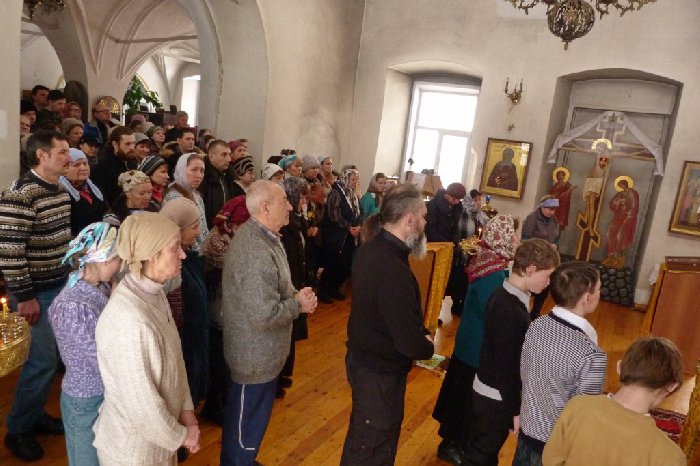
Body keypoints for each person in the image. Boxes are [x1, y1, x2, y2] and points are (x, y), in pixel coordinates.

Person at [220, 180, 317, 465]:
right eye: (283, 200)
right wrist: (297, 305)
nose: (289, 205)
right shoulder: (254, 251)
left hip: (263, 355)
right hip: (253, 357)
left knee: (250, 427)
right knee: (245, 429)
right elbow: (263, 314)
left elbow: (274, 288)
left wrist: (295, 295)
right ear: (265, 208)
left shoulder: (266, 238)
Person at [93, 213, 200, 464]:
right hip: (134, 452)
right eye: (175, 248)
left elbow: (175, 358)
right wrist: (182, 436)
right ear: (152, 255)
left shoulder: (154, 292)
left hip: (158, 443)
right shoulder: (129, 320)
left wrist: (186, 410)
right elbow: (141, 406)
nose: (183, 254)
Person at [341, 183, 434, 465]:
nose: (426, 223)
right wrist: (426, 345)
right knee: (371, 449)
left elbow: (386, 314)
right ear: (409, 221)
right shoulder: (392, 268)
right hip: (379, 374)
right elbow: (408, 341)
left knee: (364, 440)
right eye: (423, 217)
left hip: (364, 361)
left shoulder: (372, 249)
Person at [0, 130, 72, 462]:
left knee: (50, 360)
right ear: (42, 155)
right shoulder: (21, 194)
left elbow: (60, 238)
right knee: (41, 362)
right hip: (35, 293)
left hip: (59, 284)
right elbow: (9, 252)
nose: (69, 157)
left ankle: (34, 414)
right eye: (62, 152)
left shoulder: (59, 189)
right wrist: (25, 296)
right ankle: (17, 430)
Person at [462, 239, 559, 466]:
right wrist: (515, 409)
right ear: (530, 270)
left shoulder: (505, 294)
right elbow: (506, 368)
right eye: (547, 276)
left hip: (491, 391)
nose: (548, 283)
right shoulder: (509, 309)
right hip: (495, 397)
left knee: (482, 452)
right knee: (481, 456)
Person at [432, 214, 519, 464]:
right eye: (512, 235)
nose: (515, 240)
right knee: (463, 402)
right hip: (475, 348)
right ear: (502, 237)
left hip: (469, 343)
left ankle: (455, 442)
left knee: (460, 397)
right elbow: (493, 312)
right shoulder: (493, 272)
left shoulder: (489, 261)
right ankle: (451, 445)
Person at [514, 261, 607, 466]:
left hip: (527, 431)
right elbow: (585, 414)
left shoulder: (537, 325)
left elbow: (524, 374)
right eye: (599, 289)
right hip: (557, 446)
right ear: (587, 298)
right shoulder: (591, 354)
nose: (600, 294)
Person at [543, 336, 686, 466]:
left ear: (619, 367)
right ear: (671, 386)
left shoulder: (577, 405)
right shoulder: (670, 457)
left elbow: (550, 460)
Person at [48, 222, 121, 466]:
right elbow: (99, 357)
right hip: (86, 400)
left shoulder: (100, 285)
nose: (120, 264)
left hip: (103, 392)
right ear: (103, 260)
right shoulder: (72, 306)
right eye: (118, 258)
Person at [200, 195, 250, 425]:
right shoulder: (217, 241)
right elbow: (236, 271)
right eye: (243, 224)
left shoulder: (234, 237)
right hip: (217, 306)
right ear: (232, 223)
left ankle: (224, 401)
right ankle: (215, 406)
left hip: (229, 305)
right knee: (220, 359)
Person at [161, 197, 210, 409]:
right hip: (181, 345)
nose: (198, 232)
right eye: (194, 227)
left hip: (193, 341)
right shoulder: (168, 268)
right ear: (177, 229)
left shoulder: (189, 258)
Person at [278, 177, 313, 398]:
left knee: (291, 332)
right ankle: (277, 374)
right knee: (284, 332)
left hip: (298, 278)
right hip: (288, 282)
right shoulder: (285, 224)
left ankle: (284, 372)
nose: (303, 200)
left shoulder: (298, 220)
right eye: (300, 196)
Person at [318, 165, 362, 302]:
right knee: (332, 263)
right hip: (335, 236)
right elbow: (334, 216)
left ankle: (335, 288)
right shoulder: (336, 193)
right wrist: (350, 227)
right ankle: (323, 291)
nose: (355, 182)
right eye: (353, 179)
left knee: (343, 265)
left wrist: (358, 226)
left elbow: (358, 213)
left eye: (357, 179)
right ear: (345, 178)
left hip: (348, 236)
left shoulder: (352, 194)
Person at [448, 188, 489, 316]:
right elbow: (457, 233)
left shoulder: (481, 215)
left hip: (475, 253)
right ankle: (456, 303)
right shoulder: (462, 213)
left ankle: (466, 302)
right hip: (462, 254)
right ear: (469, 200)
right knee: (459, 278)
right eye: (475, 200)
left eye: (479, 200)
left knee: (470, 280)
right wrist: (465, 245)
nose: (478, 203)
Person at [522, 195, 560, 320]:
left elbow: (557, 237)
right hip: (533, 258)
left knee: (544, 288)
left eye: (554, 209)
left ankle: (535, 313)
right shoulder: (532, 218)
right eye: (549, 208)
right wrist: (542, 246)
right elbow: (525, 239)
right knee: (529, 287)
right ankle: (523, 312)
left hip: (547, 259)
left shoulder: (554, 220)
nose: (551, 212)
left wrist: (554, 246)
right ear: (542, 206)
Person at [164, 153, 208, 252]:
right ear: (182, 170)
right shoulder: (174, 197)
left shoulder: (197, 197)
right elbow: (180, 235)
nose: (199, 175)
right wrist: (200, 255)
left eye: (202, 171)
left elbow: (204, 229)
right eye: (194, 170)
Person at [59, 148, 108, 236]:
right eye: (76, 165)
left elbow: (106, 211)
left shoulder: (96, 189)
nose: (83, 168)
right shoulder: (60, 194)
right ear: (65, 169)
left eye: (85, 163)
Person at [91, 126, 137, 205]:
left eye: (133, 143)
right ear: (115, 144)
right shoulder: (103, 168)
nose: (132, 148)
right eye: (127, 144)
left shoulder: (132, 162)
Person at [201, 139, 235, 228]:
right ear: (211, 157)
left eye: (229, 154)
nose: (229, 159)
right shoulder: (203, 177)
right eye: (224, 154)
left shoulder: (228, 176)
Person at [605, 177, 639, 259]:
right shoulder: (619, 194)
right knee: (610, 233)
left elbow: (634, 206)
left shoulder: (633, 193)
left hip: (626, 219)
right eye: (619, 185)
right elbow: (612, 205)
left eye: (621, 185)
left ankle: (619, 257)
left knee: (621, 237)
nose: (621, 186)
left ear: (625, 184)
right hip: (618, 217)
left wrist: (628, 217)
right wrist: (618, 202)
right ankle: (611, 254)